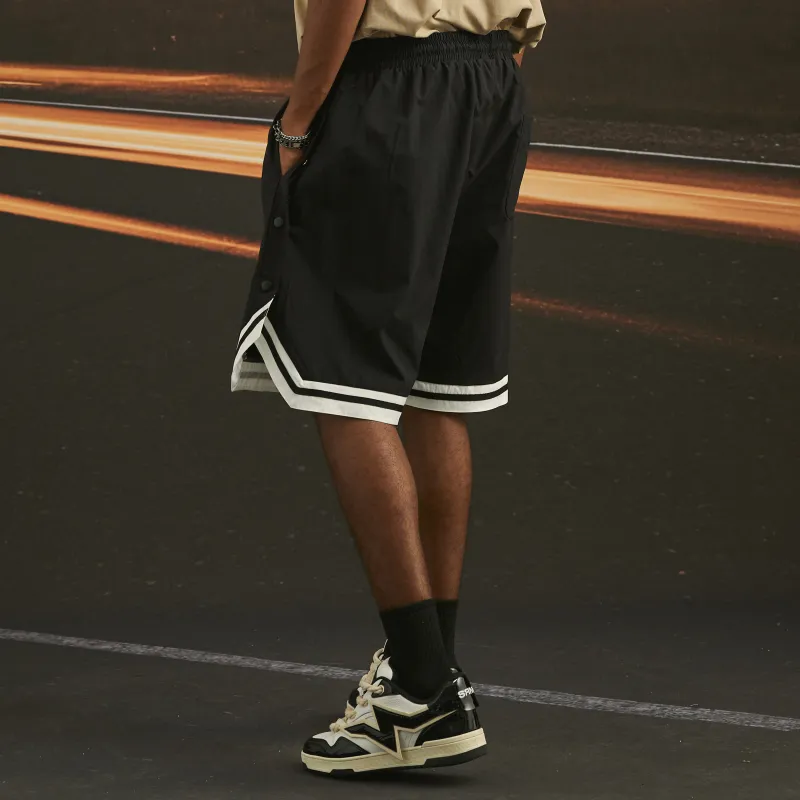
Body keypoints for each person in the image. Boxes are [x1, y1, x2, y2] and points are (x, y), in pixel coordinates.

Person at [231, 0, 545, 775]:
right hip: (490, 79)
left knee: (345, 384)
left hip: (393, 85)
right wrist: (478, 78)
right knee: (437, 387)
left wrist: (299, 123)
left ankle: (422, 694)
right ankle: (427, 670)